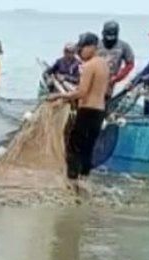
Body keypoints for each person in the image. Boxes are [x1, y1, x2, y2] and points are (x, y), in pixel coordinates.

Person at [49, 32, 111, 189]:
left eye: (82, 48)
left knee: (74, 147)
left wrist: (61, 95)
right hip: (99, 111)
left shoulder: (89, 66)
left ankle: (71, 182)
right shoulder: (104, 65)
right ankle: (84, 181)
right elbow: (105, 91)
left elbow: (82, 92)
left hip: (87, 111)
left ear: (91, 47)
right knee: (88, 148)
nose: (80, 52)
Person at [98, 20, 136, 90]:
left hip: (113, 79)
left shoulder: (124, 46)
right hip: (96, 78)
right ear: (103, 33)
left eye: (112, 37)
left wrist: (118, 77)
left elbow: (130, 64)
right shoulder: (96, 44)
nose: (110, 40)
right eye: (108, 37)